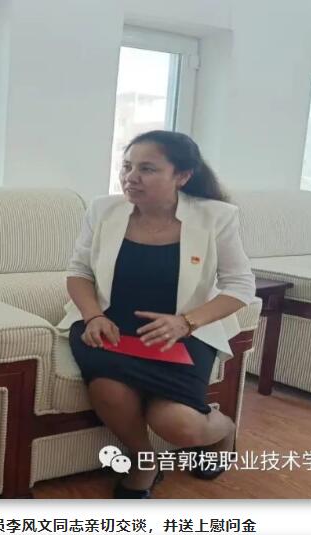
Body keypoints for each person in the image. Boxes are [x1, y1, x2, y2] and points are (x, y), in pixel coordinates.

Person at [57, 130, 255, 499]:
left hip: (181, 332)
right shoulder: (103, 210)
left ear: (182, 176)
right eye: (127, 167)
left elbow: (241, 286)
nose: (131, 177)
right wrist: (93, 315)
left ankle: (224, 429)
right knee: (107, 389)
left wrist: (186, 322)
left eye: (147, 169)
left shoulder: (216, 217)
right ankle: (144, 461)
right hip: (110, 326)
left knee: (179, 425)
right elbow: (79, 271)